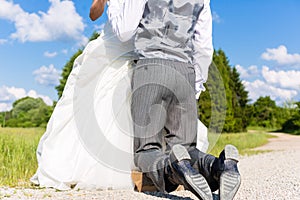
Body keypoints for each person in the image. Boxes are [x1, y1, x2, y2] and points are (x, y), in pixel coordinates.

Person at [31, 0, 209, 191]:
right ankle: (171, 171)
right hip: (129, 49)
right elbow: (93, 13)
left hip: (136, 48)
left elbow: (125, 31)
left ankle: (159, 173)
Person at [108, 0, 241, 199]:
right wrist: (196, 84)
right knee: (188, 147)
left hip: (150, 67)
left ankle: (174, 171)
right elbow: (204, 47)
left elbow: (125, 31)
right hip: (185, 71)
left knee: (147, 149)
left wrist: (113, 5)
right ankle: (220, 166)